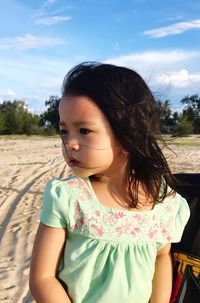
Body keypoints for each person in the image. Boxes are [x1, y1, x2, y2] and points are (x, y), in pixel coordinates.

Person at [29, 62, 190, 303]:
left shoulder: (165, 205)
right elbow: (42, 278)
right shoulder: (69, 197)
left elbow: (161, 257)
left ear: (129, 135)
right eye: (64, 131)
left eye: (83, 131)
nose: (70, 143)